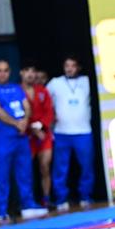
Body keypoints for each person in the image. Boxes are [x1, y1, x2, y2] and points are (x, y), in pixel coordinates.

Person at [0, 60, 48, 223]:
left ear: (10, 72)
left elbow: (27, 106)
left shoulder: (16, 88)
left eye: (5, 70)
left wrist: (25, 121)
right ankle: (2, 210)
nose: (2, 74)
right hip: (2, 140)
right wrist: (16, 123)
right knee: (1, 176)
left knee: (25, 173)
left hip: (21, 138)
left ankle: (28, 205)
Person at [47, 56, 96, 211]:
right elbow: (44, 100)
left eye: (73, 65)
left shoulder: (87, 81)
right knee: (60, 167)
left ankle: (85, 196)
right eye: (66, 65)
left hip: (83, 131)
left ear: (78, 67)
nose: (69, 68)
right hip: (62, 132)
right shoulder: (55, 83)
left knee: (86, 166)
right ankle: (61, 198)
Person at [21, 62, 55, 207]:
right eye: (27, 70)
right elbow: (18, 114)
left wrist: (41, 125)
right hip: (26, 135)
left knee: (45, 166)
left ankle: (46, 199)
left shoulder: (42, 91)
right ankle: (28, 201)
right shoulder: (17, 91)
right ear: (21, 73)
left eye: (33, 71)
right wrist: (33, 129)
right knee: (25, 169)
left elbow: (49, 112)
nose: (30, 74)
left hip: (43, 133)